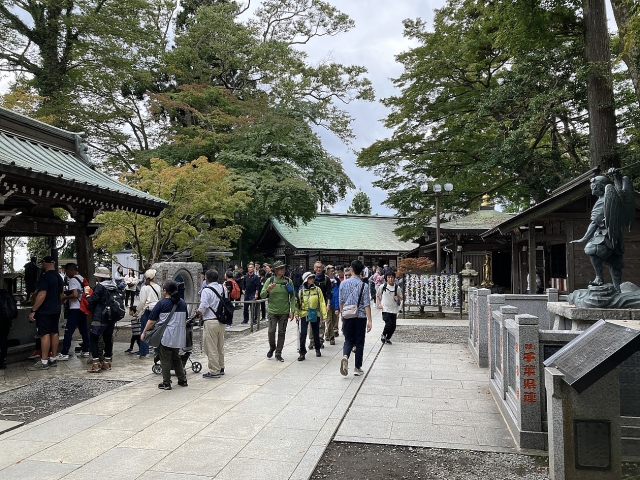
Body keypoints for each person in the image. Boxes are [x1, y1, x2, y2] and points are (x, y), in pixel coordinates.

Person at [571, 169, 634, 292]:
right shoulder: (610, 197)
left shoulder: (605, 199)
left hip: (605, 235)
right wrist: (617, 176)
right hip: (615, 236)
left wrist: (584, 238)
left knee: (591, 248)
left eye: (594, 187)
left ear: (600, 187)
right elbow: (620, 192)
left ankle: (600, 278)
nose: (592, 190)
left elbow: (594, 223)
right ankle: (616, 288)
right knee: (615, 262)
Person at [141, 280, 188, 390]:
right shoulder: (182, 303)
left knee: (165, 359)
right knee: (176, 357)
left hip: (165, 335)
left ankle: (166, 382)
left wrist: (144, 332)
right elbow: (185, 319)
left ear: (165, 291)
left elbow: (151, 321)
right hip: (178, 336)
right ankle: (182, 380)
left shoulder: (162, 303)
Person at [27, 256, 64, 371]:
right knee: (54, 333)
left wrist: (33, 310)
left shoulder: (45, 277)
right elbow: (61, 294)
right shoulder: (59, 276)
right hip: (56, 309)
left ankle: (43, 361)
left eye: (42, 263)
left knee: (44, 334)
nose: (42, 265)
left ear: (45, 263)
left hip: (45, 310)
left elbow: (42, 294)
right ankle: (53, 358)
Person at [339, 260, 372, 377]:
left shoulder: (343, 284)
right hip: (360, 317)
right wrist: (370, 320)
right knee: (359, 342)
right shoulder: (364, 285)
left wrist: (342, 314)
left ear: (352, 270)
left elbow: (341, 301)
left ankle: (345, 356)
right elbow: (366, 304)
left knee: (348, 340)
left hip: (348, 315)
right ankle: (357, 368)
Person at [85, 266, 119, 373]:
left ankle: (96, 364)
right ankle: (107, 362)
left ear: (99, 277)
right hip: (111, 316)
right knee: (108, 338)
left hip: (100, 316)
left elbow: (92, 300)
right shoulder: (114, 286)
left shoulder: (100, 287)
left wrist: (87, 294)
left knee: (94, 338)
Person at [260, 260, 294, 362]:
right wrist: (268, 290)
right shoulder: (269, 280)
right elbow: (262, 295)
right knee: (271, 331)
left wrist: (292, 310)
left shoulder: (288, 281)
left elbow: (292, 296)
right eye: (280, 268)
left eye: (283, 268)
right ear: (275, 270)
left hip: (284, 311)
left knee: (281, 332)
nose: (282, 270)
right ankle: (272, 347)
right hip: (272, 311)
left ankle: (278, 352)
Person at [57, 263, 90, 360]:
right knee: (83, 330)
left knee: (68, 331)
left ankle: (65, 352)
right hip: (82, 308)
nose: (66, 273)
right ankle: (86, 350)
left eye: (66, 271)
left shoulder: (72, 280)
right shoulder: (82, 279)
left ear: (71, 270)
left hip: (75, 308)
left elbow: (75, 295)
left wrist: (64, 297)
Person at [197, 269, 226, 378]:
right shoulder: (223, 288)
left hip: (210, 320)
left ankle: (214, 370)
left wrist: (198, 312)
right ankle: (221, 366)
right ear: (218, 278)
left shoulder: (206, 290)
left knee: (211, 347)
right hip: (222, 321)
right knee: (220, 346)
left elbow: (203, 305)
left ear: (206, 278)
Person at [295, 272, 327, 361]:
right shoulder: (301, 291)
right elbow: (297, 304)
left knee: (316, 332)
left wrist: (324, 315)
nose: (312, 279)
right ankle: (302, 352)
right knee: (303, 334)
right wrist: (296, 314)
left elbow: (322, 302)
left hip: (315, 313)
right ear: (306, 279)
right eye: (310, 278)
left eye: (313, 278)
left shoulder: (317, 290)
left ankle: (317, 348)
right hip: (304, 314)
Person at [132, 269, 162, 357]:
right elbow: (159, 299)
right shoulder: (158, 287)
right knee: (156, 330)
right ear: (153, 277)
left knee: (144, 331)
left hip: (148, 310)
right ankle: (157, 351)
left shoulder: (144, 288)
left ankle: (144, 351)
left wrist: (137, 312)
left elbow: (142, 302)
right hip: (157, 310)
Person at [377, 271, 402, 345]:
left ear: (394, 278)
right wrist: (379, 304)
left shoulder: (397, 288)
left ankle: (388, 338)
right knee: (388, 324)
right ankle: (383, 335)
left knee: (393, 327)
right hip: (385, 309)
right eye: (389, 277)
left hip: (394, 309)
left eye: (392, 277)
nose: (390, 279)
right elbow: (377, 295)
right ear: (386, 278)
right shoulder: (383, 286)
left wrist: (397, 297)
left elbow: (401, 298)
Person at [324, 265, 340, 345]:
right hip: (327, 304)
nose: (333, 272)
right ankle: (331, 338)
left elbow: (339, 292)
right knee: (329, 321)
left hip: (336, 303)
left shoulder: (337, 281)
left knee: (334, 321)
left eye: (334, 271)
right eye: (331, 271)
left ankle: (327, 334)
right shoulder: (325, 280)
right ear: (327, 272)